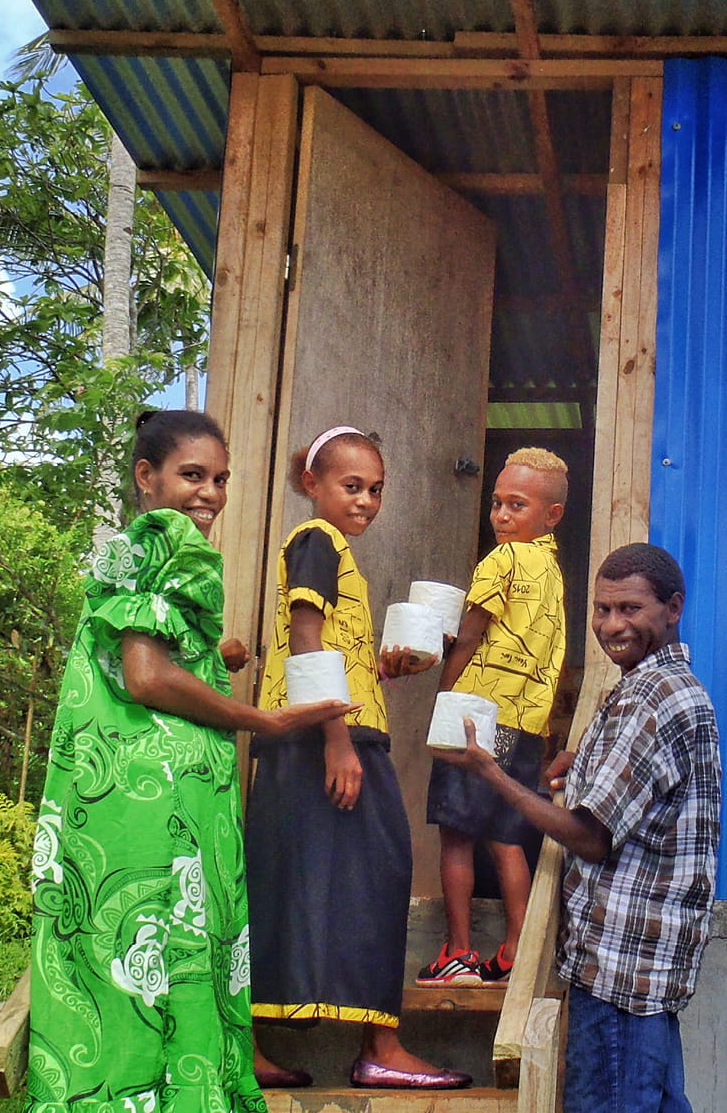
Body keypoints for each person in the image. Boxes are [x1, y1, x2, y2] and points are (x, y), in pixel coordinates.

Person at [26, 410, 358, 1113]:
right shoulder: (173, 541)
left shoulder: (125, 547)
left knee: (112, 957)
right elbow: (147, 675)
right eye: (192, 475)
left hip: (108, 793)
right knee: (172, 953)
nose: (209, 493)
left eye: (220, 478)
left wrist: (216, 659)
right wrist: (258, 717)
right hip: (166, 802)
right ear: (146, 477)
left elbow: (130, 657)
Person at [430, 542, 722, 1113]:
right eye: (603, 609)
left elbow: (591, 835)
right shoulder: (642, 690)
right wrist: (579, 762)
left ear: (673, 608)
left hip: (621, 973)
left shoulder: (655, 700)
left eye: (631, 609)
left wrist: (491, 772)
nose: (613, 625)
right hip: (635, 973)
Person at [246, 425, 471, 1090]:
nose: (367, 499)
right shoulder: (317, 540)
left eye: (376, 489)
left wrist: (382, 668)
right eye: (352, 485)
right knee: (377, 869)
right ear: (312, 485)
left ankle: (268, 1041)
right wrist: (338, 738)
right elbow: (306, 638)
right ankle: (380, 1046)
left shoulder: (334, 551)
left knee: (296, 879)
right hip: (324, 738)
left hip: (321, 732)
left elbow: (330, 646)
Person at [416, 447, 569, 988]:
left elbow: (471, 635)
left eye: (517, 505)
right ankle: (515, 951)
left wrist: (444, 695)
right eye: (497, 503)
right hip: (524, 725)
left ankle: (458, 952)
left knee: (458, 834)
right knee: (507, 836)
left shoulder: (500, 561)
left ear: (551, 515)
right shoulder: (552, 573)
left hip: (475, 714)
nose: (502, 516)